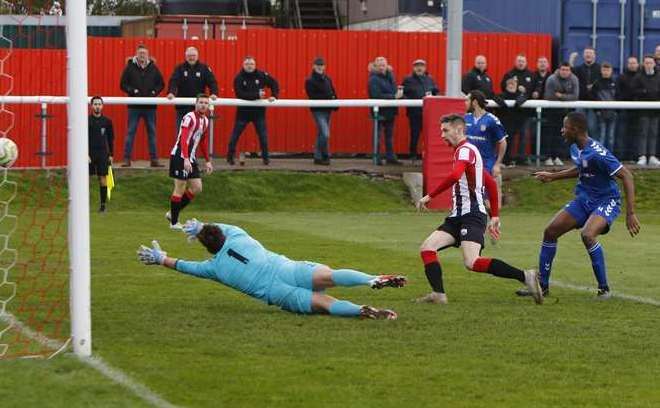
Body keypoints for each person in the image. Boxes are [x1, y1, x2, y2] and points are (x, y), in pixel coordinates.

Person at [137, 219, 406, 319]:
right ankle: (372, 279)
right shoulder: (237, 234)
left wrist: (161, 259)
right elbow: (220, 227)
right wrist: (199, 227)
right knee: (330, 276)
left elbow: (186, 267)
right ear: (221, 232)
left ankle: (362, 310)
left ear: (207, 248)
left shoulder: (215, 268)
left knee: (325, 303)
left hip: (276, 292)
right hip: (286, 268)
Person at [415, 114, 543, 305]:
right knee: (427, 248)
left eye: (445, 130)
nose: (442, 135)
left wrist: (429, 195)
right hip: (457, 216)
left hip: (471, 216)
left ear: (459, 129)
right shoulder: (469, 151)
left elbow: (455, 175)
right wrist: (495, 216)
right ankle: (438, 295)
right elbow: (490, 184)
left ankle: (526, 276)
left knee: (472, 262)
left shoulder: (465, 151)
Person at [516, 112, 640, 299]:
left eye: (564, 127)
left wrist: (630, 213)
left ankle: (604, 289)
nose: (562, 131)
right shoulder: (576, 148)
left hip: (606, 200)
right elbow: (582, 168)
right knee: (550, 232)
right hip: (584, 199)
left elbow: (627, 176)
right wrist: (552, 176)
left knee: (588, 235)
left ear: (575, 129)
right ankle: (543, 286)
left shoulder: (598, 153)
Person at [166, 94, 213, 229]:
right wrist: (185, 158)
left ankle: (172, 213)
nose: (203, 105)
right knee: (179, 188)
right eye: (201, 102)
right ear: (196, 104)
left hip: (190, 158)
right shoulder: (189, 117)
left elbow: (202, 141)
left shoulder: (205, 121)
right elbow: (184, 139)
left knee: (197, 187)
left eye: (206, 103)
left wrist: (208, 161)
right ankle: (174, 223)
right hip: (180, 156)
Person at [227, 56, 279, 166]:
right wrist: (257, 95)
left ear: (255, 65)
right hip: (243, 113)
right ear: (243, 65)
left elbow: (274, 83)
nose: (249, 66)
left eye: (251, 64)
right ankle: (229, 157)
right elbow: (240, 94)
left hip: (259, 113)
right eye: (247, 64)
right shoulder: (239, 78)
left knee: (263, 137)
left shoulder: (261, 75)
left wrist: (274, 95)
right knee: (235, 136)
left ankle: (266, 159)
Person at [119, 44, 165, 168]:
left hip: (150, 106)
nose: (142, 55)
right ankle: (127, 159)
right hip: (134, 106)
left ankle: (154, 159)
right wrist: (132, 91)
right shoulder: (130, 67)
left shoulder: (153, 68)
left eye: (144, 53)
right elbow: (122, 84)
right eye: (140, 53)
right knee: (130, 132)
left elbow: (161, 84)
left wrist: (154, 92)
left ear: (147, 55)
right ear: (136, 54)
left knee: (152, 133)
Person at [166, 46, 219, 131]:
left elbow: (212, 82)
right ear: (186, 57)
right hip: (182, 107)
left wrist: (214, 93)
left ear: (197, 56)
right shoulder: (179, 68)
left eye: (193, 55)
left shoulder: (204, 68)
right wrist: (171, 92)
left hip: (198, 108)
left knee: (197, 133)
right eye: (189, 56)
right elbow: (173, 81)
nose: (191, 58)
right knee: (182, 133)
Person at [465, 90, 507, 189]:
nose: (465, 103)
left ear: (474, 102)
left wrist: (497, 164)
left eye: (467, 100)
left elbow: (502, 142)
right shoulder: (465, 118)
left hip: (486, 164)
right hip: (468, 163)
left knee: (486, 199)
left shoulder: (492, 120)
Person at [402, 59, 439, 163]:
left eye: (421, 66)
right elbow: (402, 94)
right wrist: (408, 102)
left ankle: (428, 155)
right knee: (415, 134)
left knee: (429, 135)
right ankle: (412, 155)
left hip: (428, 112)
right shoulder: (408, 80)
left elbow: (435, 90)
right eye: (417, 66)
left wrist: (434, 93)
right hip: (414, 112)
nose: (419, 68)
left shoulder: (429, 79)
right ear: (413, 68)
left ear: (425, 67)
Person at [368, 56, 403, 165]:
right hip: (379, 111)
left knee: (389, 136)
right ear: (376, 66)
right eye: (379, 65)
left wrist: (400, 95)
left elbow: (393, 91)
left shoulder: (390, 76)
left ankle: (390, 157)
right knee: (377, 136)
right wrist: (393, 96)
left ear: (386, 65)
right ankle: (377, 158)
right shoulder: (373, 79)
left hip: (390, 110)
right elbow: (376, 95)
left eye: (383, 65)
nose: (382, 67)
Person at [543, 62, 579, 166]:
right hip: (550, 111)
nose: (564, 72)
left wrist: (561, 95)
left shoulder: (574, 79)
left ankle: (556, 156)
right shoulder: (551, 79)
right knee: (549, 134)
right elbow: (549, 96)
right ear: (559, 70)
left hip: (565, 112)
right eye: (563, 69)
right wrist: (567, 96)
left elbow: (575, 96)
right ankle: (548, 157)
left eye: (567, 70)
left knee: (561, 135)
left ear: (570, 71)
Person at [305, 57, 338, 166]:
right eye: (318, 65)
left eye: (322, 65)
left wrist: (336, 103)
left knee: (321, 134)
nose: (320, 67)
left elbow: (333, 91)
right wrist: (330, 97)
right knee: (325, 134)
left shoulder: (328, 78)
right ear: (314, 66)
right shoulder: (309, 80)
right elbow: (313, 96)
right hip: (318, 110)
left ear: (324, 67)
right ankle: (325, 154)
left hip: (328, 109)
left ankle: (317, 157)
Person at [631, 55, 660, 166]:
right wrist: (645, 92)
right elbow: (634, 91)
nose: (648, 65)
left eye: (650, 63)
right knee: (643, 132)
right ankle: (642, 155)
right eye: (646, 63)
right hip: (643, 110)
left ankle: (652, 156)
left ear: (654, 64)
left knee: (653, 133)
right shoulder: (638, 77)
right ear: (643, 64)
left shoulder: (659, 76)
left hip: (656, 110)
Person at [88, 96, 114, 213]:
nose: (97, 106)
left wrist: (111, 154)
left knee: (102, 178)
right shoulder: (86, 120)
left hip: (103, 153)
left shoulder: (107, 121)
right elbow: (83, 138)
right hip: (89, 153)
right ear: (91, 105)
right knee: (86, 179)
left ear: (102, 106)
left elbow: (110, 139)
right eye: (95, 104)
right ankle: (83, 205)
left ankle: (103, 206)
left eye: (99, 104)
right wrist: (85, 154)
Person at [493, 79, 527, 165]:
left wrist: (517, 103)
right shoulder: (501, 95)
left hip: (516, 123)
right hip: (504, 123)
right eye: (510, 84)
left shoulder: (520, 95)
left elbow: (524, 97)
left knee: (513, 142)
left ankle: (512, 160)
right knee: (504, 141)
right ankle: (503, 160)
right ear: (506, 86)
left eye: (513, 84)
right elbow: (495, 98)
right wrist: (503, 105)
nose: (511, 86)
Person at [571, 46, 601, 136]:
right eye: (586, 53)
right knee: (579, 129)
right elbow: (569, 73)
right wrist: (571, 60)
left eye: (590, 53)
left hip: (594, 104)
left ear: (594, 56)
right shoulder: (578, 69)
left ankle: (593, 149)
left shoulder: (599, 69)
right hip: (581, 102)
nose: (588, 55)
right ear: (583, 55)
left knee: (592, 129)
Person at [615, 56, 640, 159]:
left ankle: (634, 155)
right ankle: (621, 156)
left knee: (636, 134)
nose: (632, 65)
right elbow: (618, 93)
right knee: (622, 133)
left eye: (634, 63)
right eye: (630, 63)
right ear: (627, 64)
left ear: (637, 64)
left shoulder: (640, 76)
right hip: (624, 110)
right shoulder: (621, 77)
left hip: (637, 110)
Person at [592, 62, 617, 151]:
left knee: (611, 137)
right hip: (601, 113)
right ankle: (600, 156)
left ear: (611, 71)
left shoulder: (615, 83)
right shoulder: (597, 83)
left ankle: (609, 157)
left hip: (612, 113)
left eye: (608, 70)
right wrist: (597, 111)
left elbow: (618, 96)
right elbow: (593, 97)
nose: (606, 72)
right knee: (601, 136)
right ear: (601, 71)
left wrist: (616, 110)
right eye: (604, 70)